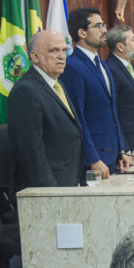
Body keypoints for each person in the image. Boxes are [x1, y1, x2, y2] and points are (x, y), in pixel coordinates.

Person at [7, 30, 83, 193]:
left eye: (64, 50)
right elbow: (31, 152)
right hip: (47, 188)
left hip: (67, 181)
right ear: (34, 57)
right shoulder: (26, 90)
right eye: (54, 50)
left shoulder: (57, 84)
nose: (62, 56)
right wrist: (50, 194)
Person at [61, 8, 130, 179]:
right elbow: (78, 118)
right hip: (94, 161)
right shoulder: (72, 67)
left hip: (112, 154)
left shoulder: (102, 63)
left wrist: (121, 148)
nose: (104, 30)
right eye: (98, 26)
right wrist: (92, 158)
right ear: (82, 32)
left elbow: (112, 112)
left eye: (104, 25)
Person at [105, 25, 134, 154]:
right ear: (120, 46)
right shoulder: (110, 69)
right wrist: (124, 148)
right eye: (132, 39)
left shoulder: (132, 67)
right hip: (128, 148)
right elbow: (115, 113)